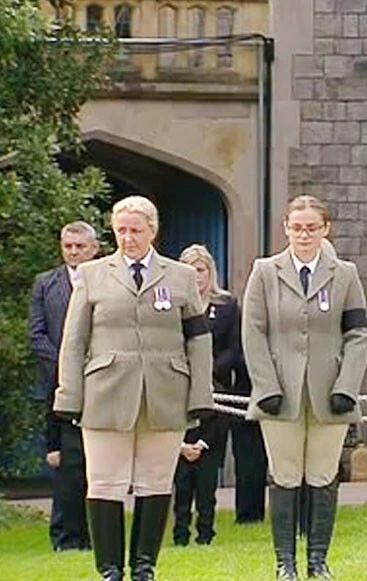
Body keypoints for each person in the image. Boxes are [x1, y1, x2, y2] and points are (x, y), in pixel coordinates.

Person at [53, 196, 213, 581]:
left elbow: (198, 339)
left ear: (152, 231)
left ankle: (144, 566)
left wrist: (200, 395)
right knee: (104, 481)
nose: (128, 238)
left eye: (136, 230)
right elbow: (74, 340)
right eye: (121, 230)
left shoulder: (180, 276)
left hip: (165, 391)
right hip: (106, 391)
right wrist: (69, 394)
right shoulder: (91, 275)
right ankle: (110, 568)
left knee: (155, 481)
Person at [242, 195, 367, 580]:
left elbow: (358, 333)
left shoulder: (344, 274)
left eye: (312, 228)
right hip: (280, 393)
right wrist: (265, 384)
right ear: (286, 228)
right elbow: (253, 331)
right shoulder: (265, 272)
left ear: (325, 229)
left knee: (322, 474)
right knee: (284, 474)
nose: (304, 235)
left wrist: (347, 385)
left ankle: (318, 561)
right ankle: (285, 563)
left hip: (328, 392)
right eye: (297, 227)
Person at [170, 244, 248, 545]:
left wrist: (208, 370)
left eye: (201, 270)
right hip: (179, 389)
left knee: (206, 471)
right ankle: (179, 533)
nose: (196, 276)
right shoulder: (172, 305)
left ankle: (206, 532)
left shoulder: (226, 307)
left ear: (210, 272)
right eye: (190, 270)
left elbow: (234, 349)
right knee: (181, 475)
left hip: (218, 392)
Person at [31, 221, 99, 552]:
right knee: (66, 463)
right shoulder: (45, 283)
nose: (73, 252)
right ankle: (65, 537)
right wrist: (65, 364)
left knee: (95, 464)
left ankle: (92, 535)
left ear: (94, 248)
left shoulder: (106, 279)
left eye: (80, 246)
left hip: (99, 379)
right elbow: (37, 334)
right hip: (58, 384)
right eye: (68, 246)